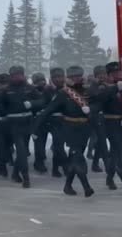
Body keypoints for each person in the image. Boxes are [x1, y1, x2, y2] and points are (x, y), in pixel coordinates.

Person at [32, 66, 94, 197]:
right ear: (69, 78)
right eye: (73, 77)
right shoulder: (64, 93)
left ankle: (67, 186)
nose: (77, 78)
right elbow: (47, 110)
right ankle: (86, 186)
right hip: (70, 129)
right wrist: (36, 128)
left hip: (84, 129)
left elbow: (100, 101)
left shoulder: (87, 91)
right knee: (78, 158)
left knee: (73, 159)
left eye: (79, 76)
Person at [0, 66, 43, 188]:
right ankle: (25, 176)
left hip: (27, 122)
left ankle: (15, 173)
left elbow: (42, 101)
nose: (17, 77)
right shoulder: (6, 90)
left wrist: (32, 104)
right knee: (21, 150)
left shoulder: (29, 88)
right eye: (14, 75)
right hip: (13, 124)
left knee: (23, 151)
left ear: (23, 75)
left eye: (19, 74)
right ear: (11, 77)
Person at [91, 61, 122, 194]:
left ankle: (109, 177)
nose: (117, 75)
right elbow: (100, 98)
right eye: (114, 73)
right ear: (108, 75)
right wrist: (115, 88)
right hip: (109, 123)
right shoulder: (103, 87)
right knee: (119, 152)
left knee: (117, 152)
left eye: (119, 72)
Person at [46, 67, 69, 177]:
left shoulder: (69, 89)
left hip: (66, 120)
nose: (58, 79)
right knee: (59, 145)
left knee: (58, 145)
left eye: (60, 76)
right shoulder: (48, 90)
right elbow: (44, 104)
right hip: (53, 121)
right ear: (51, 78)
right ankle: (66, 167)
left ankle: (55, 169)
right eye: (55, 77)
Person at [30, 72, 51, 174]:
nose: (41, 82)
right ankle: (39, 162)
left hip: (46, 120)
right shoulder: (31, 91)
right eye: (38, 81)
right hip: (35, 120)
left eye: (42, 80)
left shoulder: (48, 90)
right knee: (38, 142)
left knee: (42, 141)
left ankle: (40, 159)